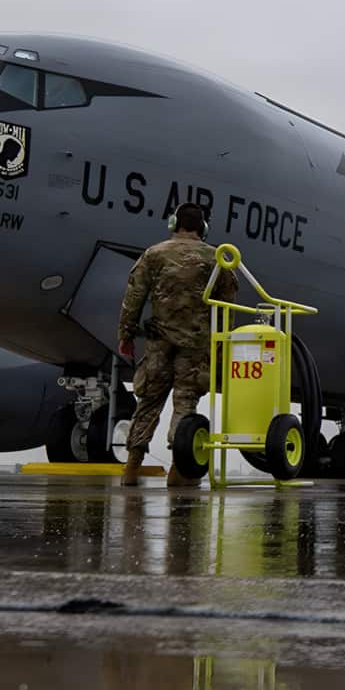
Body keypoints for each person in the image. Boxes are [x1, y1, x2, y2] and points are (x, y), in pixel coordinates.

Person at [116, 202, 237, 487]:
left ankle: (131, 468)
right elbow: (227, 306)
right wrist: (222, 343)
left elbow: (133, 297)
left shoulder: (154, 254)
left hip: (159, 341)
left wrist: (126, 335)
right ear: (203, 227)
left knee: (148, 402)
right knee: (185, 402)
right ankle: (178, 470)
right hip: (196, 344)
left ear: (174, 224)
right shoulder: (216, 258)